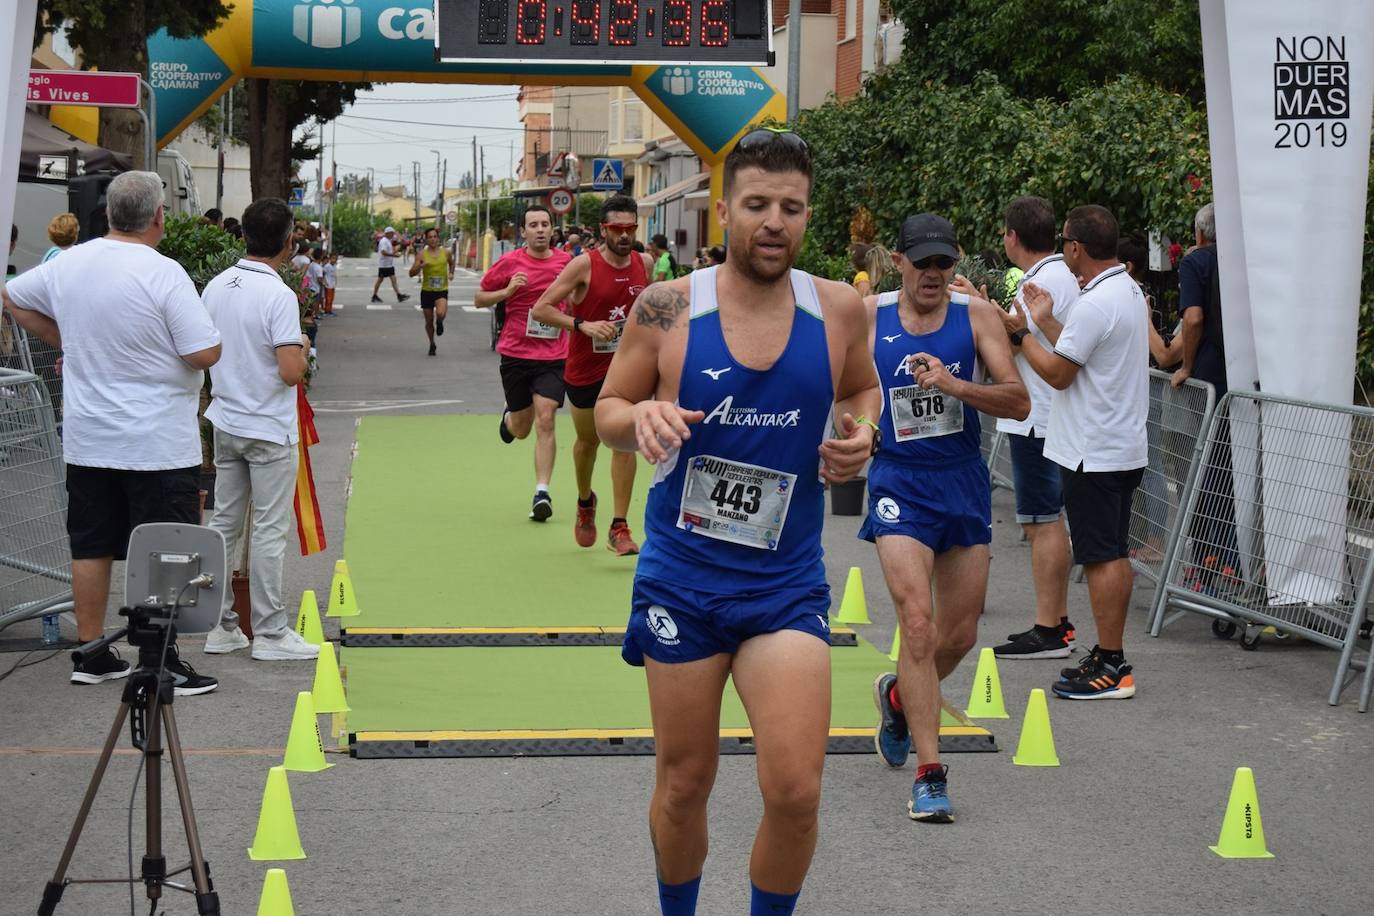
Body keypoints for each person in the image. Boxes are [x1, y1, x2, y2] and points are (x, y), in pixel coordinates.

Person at [596, 127, 881, 916]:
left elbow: (862, 392)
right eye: (756, 204)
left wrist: (862, 435)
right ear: (724, 210)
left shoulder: (839, 307)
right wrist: (642, 416)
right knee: (685, 783)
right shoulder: (666, 306)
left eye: (791, 208)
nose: (774, 222)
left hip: (783, 586)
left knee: (795, 789)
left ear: (808, 215)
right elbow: (608, 407)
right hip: (682, 582)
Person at [2, 171, 221, 695]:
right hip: (157, 441)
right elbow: (203, 352)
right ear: (159, 217)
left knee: (91, 545)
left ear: (108, 214)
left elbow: (11, 296)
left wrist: (65, 337)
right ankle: (161, 657)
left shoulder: (69, 263)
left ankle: (93, 651)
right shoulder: (164, 273)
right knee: (167, 548)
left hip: (90, 435)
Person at [864, 213, 1029, 822]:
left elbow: (1019, 398)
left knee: (959, 636)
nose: (934, 274)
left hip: (959, 481)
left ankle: (902, 698)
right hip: (897, 481)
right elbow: (841, 386)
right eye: (923, 263)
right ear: (900, 261)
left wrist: (957, 386)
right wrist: (853, 431)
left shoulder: (975, 317)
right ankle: (930, 776)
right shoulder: (868, 313)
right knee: (918, 623)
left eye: (944, 263)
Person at [1004, 204, 1149, 700]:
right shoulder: (1124, 290)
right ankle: (1108, 655)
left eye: (1065, 241)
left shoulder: (1096, 302)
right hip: (1118, 443)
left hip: (1095, 448)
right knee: (1110, 552)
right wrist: (1044, 323)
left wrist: (1022, 333)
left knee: (1104, 557)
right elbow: (1078, 349)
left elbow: (1060, 374)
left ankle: (1113, 663)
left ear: (1075, 248)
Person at [199, 198, 320, 662]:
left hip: (226, 419)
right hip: (268, 426)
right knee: (269, 529)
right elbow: (290, 371)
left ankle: (222, 625)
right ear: (289, 241)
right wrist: (304, 345)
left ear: (243, 236)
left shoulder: (216, 285)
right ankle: (270, 632)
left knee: (224, 526)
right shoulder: (279, 295)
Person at [530, 195, 654, 555]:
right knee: (588, 442)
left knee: (624, 442)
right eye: (617, 228)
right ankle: (586, 502)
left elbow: (657, 306)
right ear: (603, 229)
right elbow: (542, 309)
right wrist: (581, 325)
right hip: (585, 369)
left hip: (627, 370)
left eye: (631, 228)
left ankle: (620, 525)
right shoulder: (583, 265)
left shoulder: (644, 263)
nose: (625, 235)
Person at [985, 197, 1081, 660]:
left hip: (1036, 416)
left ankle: (1050, 628)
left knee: (1042, 524)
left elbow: (1014, 345)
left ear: (1012, 237)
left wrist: (986, 318)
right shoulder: (1064, 274)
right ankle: (1055, 622)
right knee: (1047, 522)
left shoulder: (1035, 281)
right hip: (1053, 412)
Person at [474, 206, 573, 521]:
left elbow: (582, 294)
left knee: (546, 419)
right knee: (521, 428)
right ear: (524, 232)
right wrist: (508, 291)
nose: (541, 229)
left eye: (545, 224)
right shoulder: (511, 262)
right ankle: (508, 420)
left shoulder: (566, 263)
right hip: (516, 353)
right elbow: (479, 298)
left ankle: (541, 492)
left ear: (552, 229)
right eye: (534, 225)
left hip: (554, 355)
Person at [1172, 202, 1237, 588]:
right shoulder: (1244, 261)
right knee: (1237, 470)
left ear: (1199, 233)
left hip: (1210, 377)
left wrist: (1186, 366)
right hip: (1245, 374)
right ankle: (1236, 560)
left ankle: (1211, 561)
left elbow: (1192, 318)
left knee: (1204, 471)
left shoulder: (1195, 263)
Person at [409, 226, 454, 356]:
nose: (433, 239)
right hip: (427, 291)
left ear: (438, 238)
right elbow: (411, 273)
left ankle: (440, 322)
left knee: (440, 313)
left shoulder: (446, 252)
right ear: (426, 240)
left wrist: (451, 273)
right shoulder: (422, 254)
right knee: (428, 322)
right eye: (430, 237)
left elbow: (452, 263)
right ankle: (432, 343)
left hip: (441, 290)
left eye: (435, 236)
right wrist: (419, 266)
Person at [371, 227, 410, 304]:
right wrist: (394, 255)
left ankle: (399, 295)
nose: (393, 234)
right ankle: (374, 296)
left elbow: (390, 250)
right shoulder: (384, 241)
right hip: (384, 265)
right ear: (387, 233)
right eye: (392, 233)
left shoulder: (388, 241)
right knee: (380, 280)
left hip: (389, 265)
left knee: (393, 279)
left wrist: (397, 250)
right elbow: (383, 252)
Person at [322, 250, 337, 316]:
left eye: (335, 258)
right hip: (328, 285)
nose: (334, 260)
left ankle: (330, 310)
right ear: (330, 258)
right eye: (333, 258)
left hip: (332, 284)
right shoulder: (327, 266)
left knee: (331, 298)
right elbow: (323, 273)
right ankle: (327, 311)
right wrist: (325, 282)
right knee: (328, 298)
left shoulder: (334, 266)